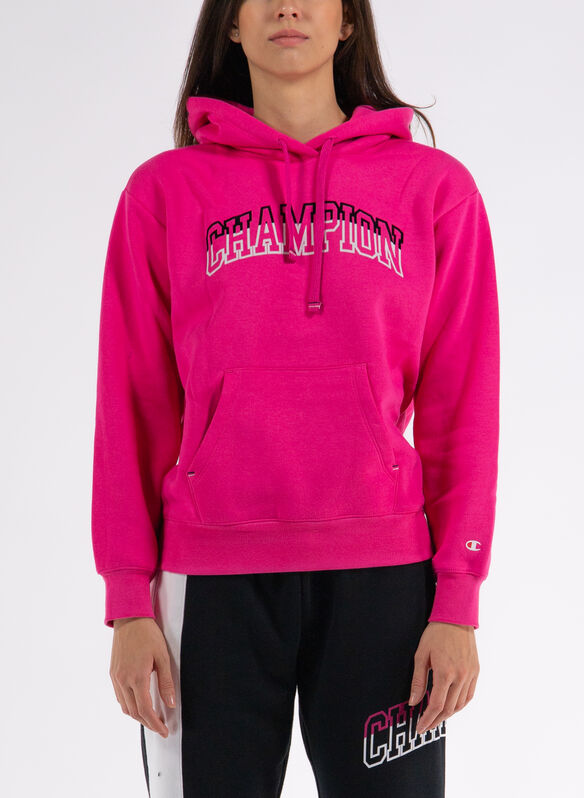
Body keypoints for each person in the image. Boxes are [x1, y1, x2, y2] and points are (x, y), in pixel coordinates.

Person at [91, 1, 500, 796]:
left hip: (385, 582)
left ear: (347, 21)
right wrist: (129, 600)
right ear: (230, 24)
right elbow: (132, 405)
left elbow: (465, 406)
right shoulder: (164, 193)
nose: (287, 5)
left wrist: (457, 600)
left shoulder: (433, 190)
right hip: (211, 586)